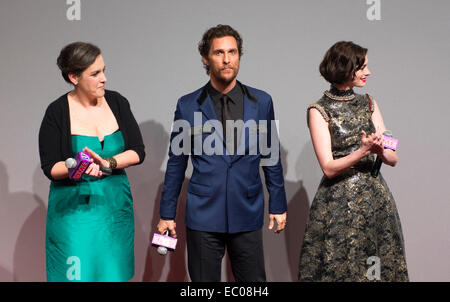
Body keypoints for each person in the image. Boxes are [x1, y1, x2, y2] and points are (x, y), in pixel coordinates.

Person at [157, 24, 287, 282]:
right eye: (218, 53)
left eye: (233, 52)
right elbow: (176, 163)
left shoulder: (262, 102)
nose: (227, 59)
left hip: (247, 209)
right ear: (206, 58)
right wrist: (166, 214)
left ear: (239, 55)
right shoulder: (187, 105)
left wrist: (278, 204)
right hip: (203, 214)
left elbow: (271, 156)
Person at [298, 41, 408, 281]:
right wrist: (363, 151)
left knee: (378, 267)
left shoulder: (370, 103)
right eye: (362, 67)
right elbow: (328, 168)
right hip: (338, 204)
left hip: (375, 199)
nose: (368, 72)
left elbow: (393, 155)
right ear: (344, 67)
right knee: (342, 267)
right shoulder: (318, 110)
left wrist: (381, 150)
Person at [38, 42, 145, 281]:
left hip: (114, 210)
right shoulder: (56, 112)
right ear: (74, 77)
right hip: (75, 215)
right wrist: (78, 165)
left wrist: (109, 163)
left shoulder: (117, 102)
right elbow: (51, 167)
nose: (104, 79)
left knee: (114, 275)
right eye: (95, 74)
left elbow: (137, 151)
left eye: (104, 70)